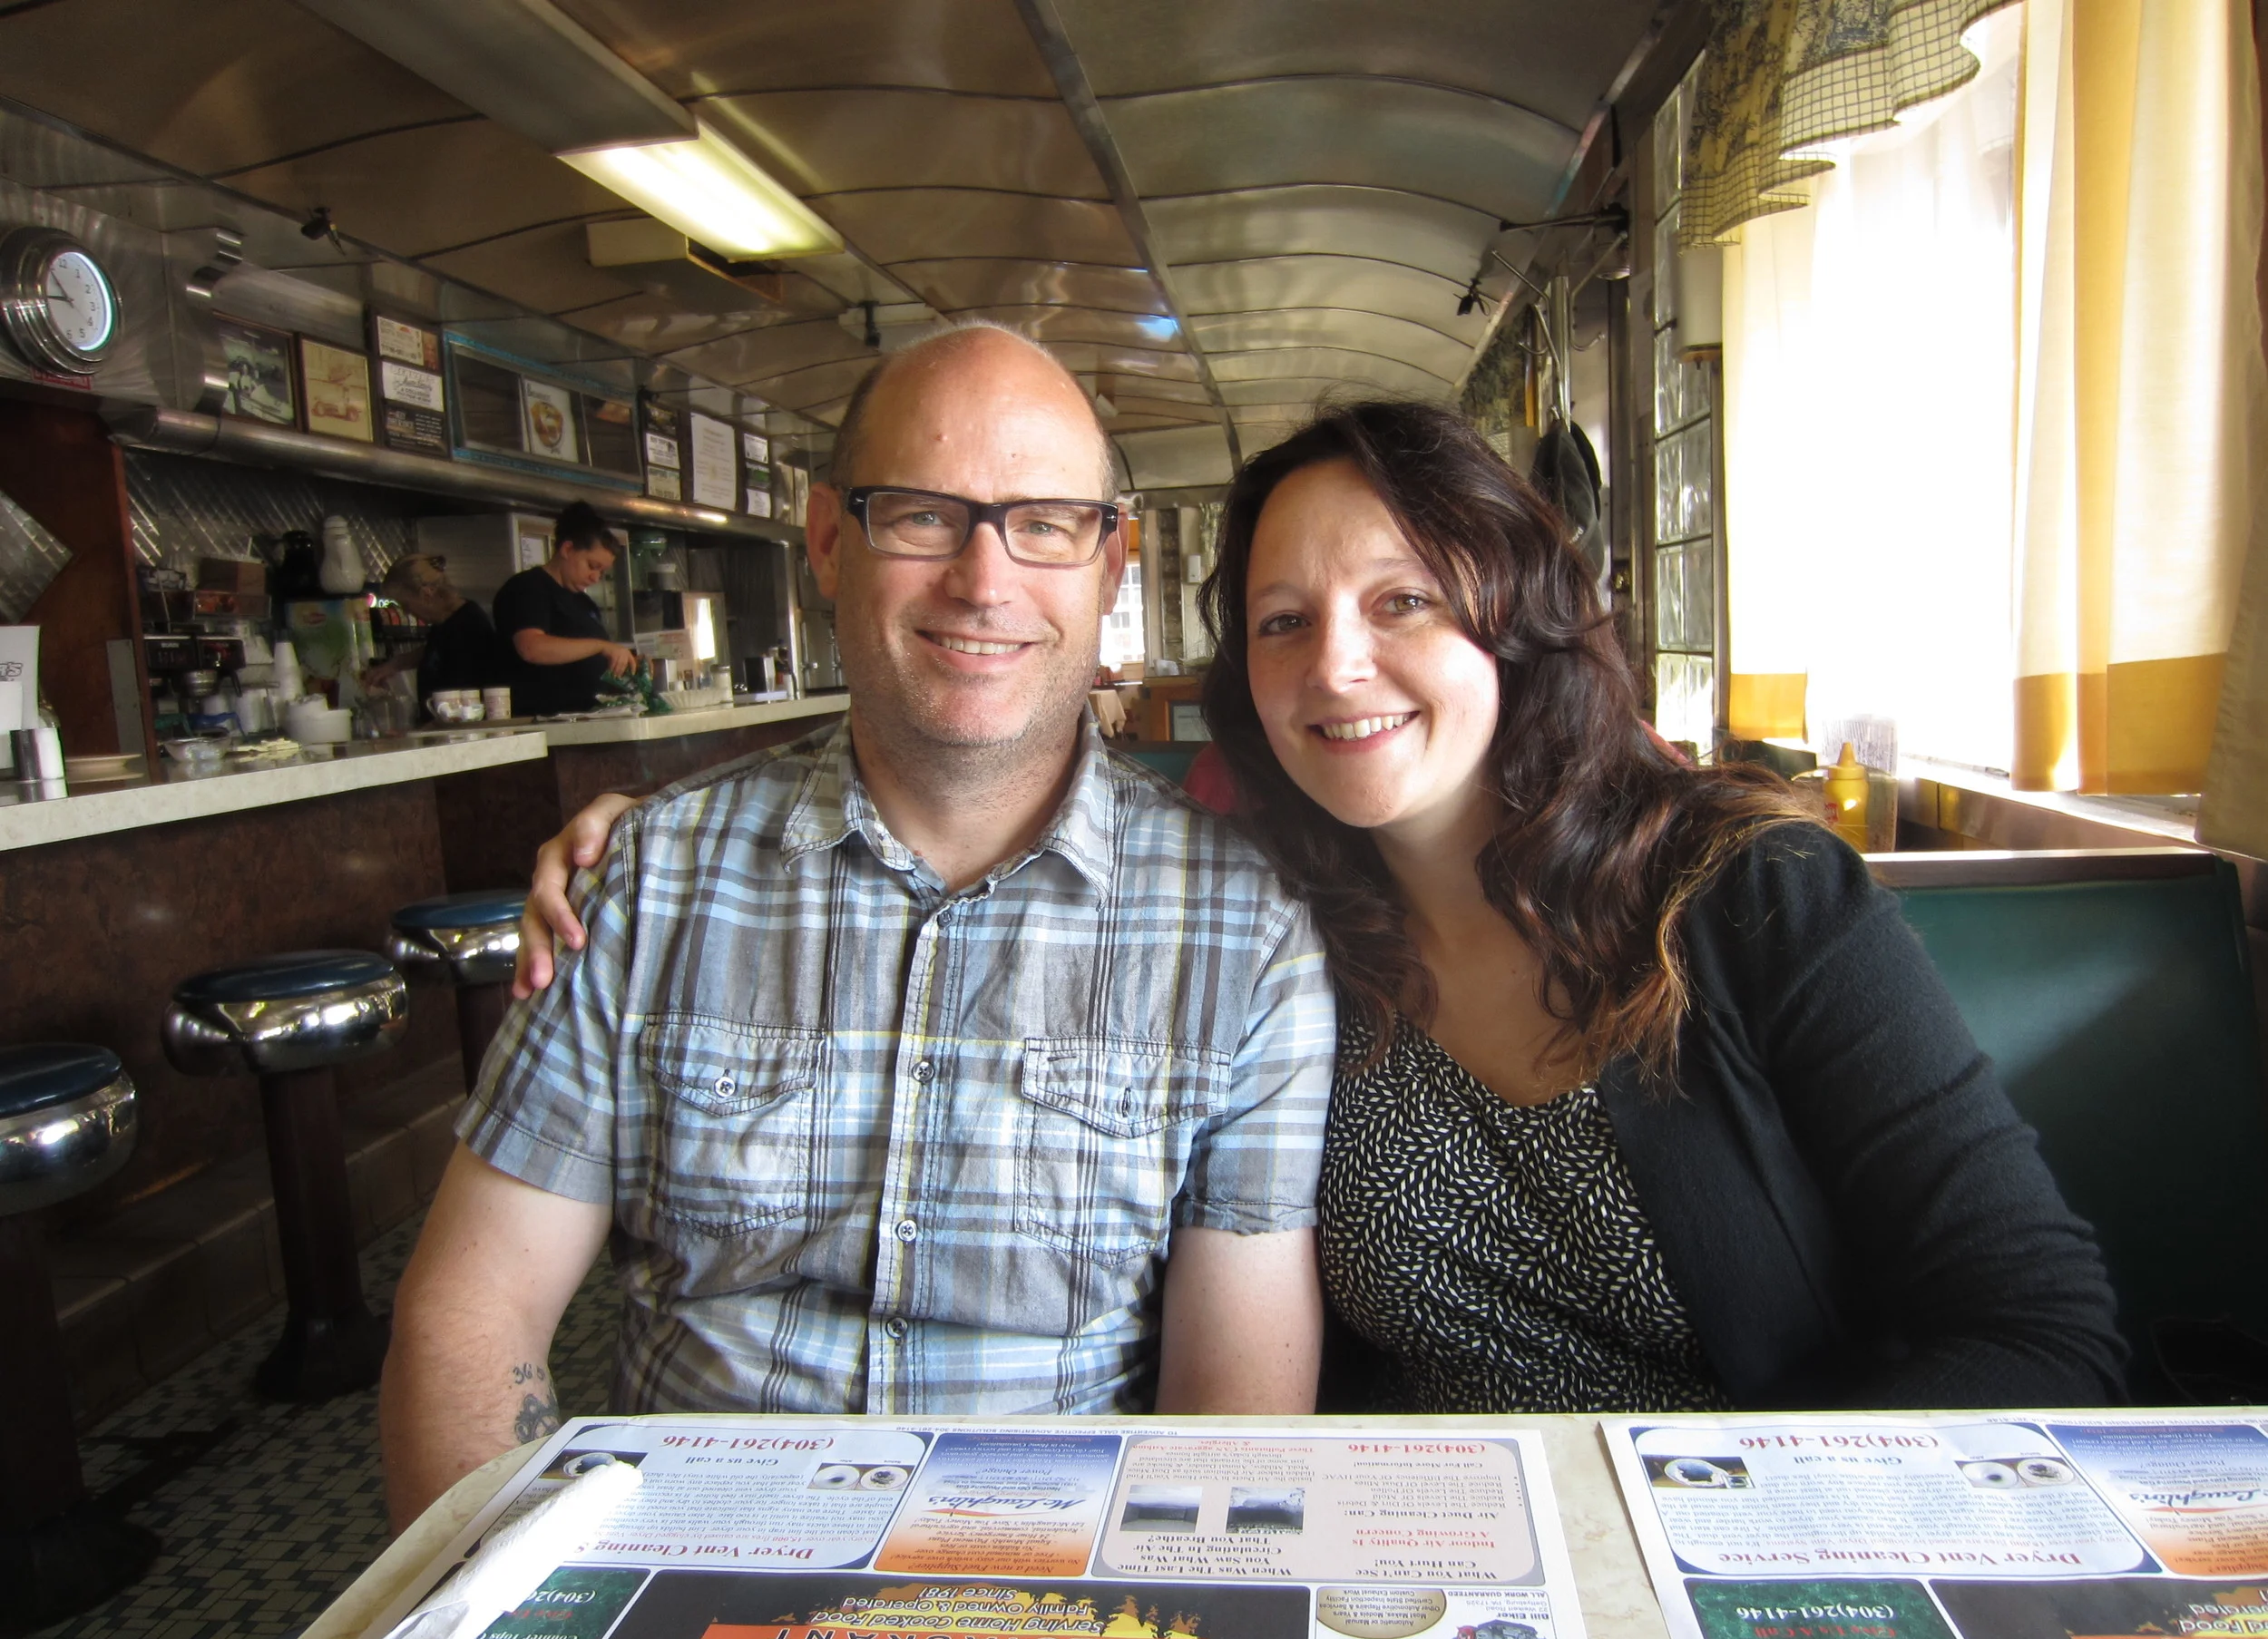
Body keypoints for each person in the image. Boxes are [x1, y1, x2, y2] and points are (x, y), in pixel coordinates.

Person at [520, 399, 2126, 1417]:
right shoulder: (1268, 926)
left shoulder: (1754, 897)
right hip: (1408, 1591)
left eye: (1403, 602)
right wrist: (645, 835)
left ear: (1516, 619)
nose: (1335, 666)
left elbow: (2040, 1328)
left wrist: (1681, 1536)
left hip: (1745, 1570)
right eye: (1284, 622)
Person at [380, 326, 1334, 1532]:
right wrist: (492, 1620)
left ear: (1109, 558)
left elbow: (1232, 1408)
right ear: (830, 540)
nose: (984, 582)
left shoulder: (1243, 933)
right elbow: (473, 1308)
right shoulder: (645, 880)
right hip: (681, 1576)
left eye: (1043, 521)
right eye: (925, 515)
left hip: (1048, 1600)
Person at [492, 502, 640, 716]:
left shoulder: (584, 603)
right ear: (567, 549)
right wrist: (601, 646)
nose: (595, 578)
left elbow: (591, 659)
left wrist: (627, 663)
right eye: (592, 566)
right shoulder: (528, 588)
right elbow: (531, 648)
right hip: (543, 724)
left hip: (589, 720)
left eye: (602, 572)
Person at [366, 553, 505, 717]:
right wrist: (397, 663)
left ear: (426, 593)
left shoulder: (468, 626)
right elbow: (438, 648)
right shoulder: (448, 622)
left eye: (406, 604)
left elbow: (465, 699)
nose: (406, 612)